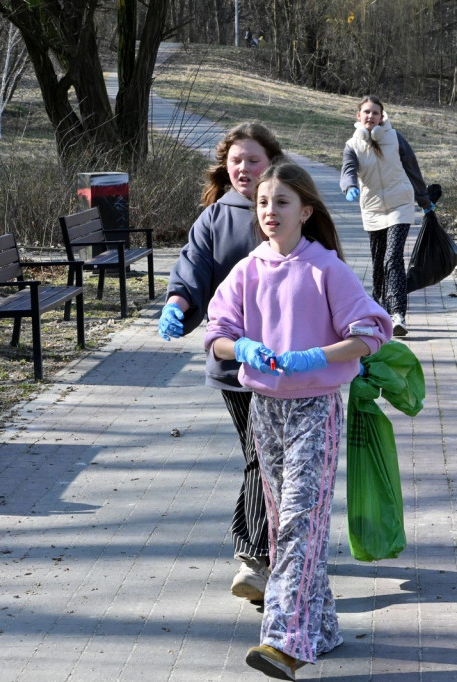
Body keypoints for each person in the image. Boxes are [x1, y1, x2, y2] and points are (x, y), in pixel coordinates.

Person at [204, 161, 392, 679]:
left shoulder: (326, 268)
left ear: (305, 211)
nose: (270, 212)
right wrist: (238, 344)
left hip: (317, 406)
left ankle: (284, 641)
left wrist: (321, 356)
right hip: (266, 409)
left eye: (282, 203)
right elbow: (215, 332)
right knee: (286, 524)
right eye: (263, 203)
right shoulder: (248, 269)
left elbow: (374, 330)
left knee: (299, 523)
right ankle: (322, 627)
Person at [158, 122, 284, 602]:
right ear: (224, 165)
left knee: (265, 455)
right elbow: (191, 268)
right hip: (233, 362)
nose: (244, 169)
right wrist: (178, 302)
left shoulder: (289, 207)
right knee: (261, 453)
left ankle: (264, 551)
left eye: (253, 160)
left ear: (270, 161)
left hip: (286, 363)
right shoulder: (214, 218)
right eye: (236, 161)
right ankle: (255, 557)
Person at [340, 94, 433, 337]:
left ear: (382, 117)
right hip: (372, 209)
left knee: (393, 257)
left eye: (375, 112)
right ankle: (379, 309)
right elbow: (348, 170)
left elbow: (412, 168)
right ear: (358, 116)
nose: (370, 116)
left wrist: (424, 201)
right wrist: (349, 186)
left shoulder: (394, 138)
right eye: (366, 112)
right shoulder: (352, 145)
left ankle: (398, 314)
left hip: (400, 204)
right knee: (379, 261)